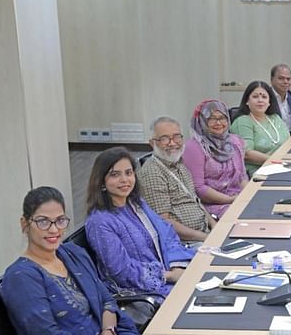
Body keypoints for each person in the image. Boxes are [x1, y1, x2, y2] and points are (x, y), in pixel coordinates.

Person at [1, 186, 139, 335]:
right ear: (24, 224)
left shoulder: (73, 254)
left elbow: (106, 299)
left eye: (60, 220)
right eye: (43, 221)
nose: (53, 229)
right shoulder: (21, 277)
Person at [85, 147, 195, 298]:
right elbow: (121, 271)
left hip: (172, 275)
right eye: (115, 175)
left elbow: (167, 233)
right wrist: (168, 276)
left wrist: (177, 266)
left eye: (128, 173)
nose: (124, 180)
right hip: (142, 292)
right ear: (101, 182)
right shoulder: (100, 222)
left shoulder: (137, 204)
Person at [138, 116, 215, 243]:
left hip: (204, 231)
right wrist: (206, 238)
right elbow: (163, 222)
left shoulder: (178, 164)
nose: (172, 143)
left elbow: (195, 202)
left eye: (176, 137)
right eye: (164, 138)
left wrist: (214, 225)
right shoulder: (152, 172)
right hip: (186, 242)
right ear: (152, 143)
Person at [183, 99, 248, 217]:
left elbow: (242, 177)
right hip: (214, 205)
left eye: (222, 118)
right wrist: (230, 200)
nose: (218, 123)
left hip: (237, 198)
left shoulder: (235, 142)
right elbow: (199, 188)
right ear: (202, 121)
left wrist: (246, 196)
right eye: (212, 118)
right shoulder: (194, 147)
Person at [230, 80, 291, 176]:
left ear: (269, 102)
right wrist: (275, 161)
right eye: (255, 96)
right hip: (258, 171)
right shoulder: (243, 121)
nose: (260, 100)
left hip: (282, 166)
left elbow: (289, 143)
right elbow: (247, 154)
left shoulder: (275, 118)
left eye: (264, 97)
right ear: (247, 101)